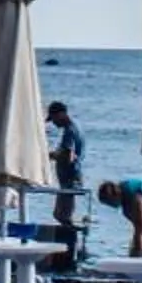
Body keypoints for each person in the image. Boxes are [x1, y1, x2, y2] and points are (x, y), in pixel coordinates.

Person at [46, 101, 87, 264]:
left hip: (70, 178)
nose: (54, 123)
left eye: (54, 119)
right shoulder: (75, 128)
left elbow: (68, 156)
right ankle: (72, 244)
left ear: (61, 114)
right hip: (69, 179)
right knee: (62, 214)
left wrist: (50, 155)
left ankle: (72, 246)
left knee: (61, 214)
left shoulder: (70, 131)